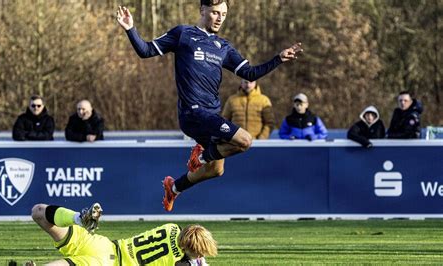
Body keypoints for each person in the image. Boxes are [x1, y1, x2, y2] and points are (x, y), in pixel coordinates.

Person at [116, 0, 303, 211]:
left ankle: (174, 187)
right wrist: (131, 29)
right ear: (202, 11)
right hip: (193, 113)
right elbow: (146, 50)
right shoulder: (183, 34)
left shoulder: (223, 47)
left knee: (216, 170)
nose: (220, 18)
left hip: (212, 115)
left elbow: (249, 73)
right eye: (215, 13)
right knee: (245, 140)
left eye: (223, 14)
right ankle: (202, 156)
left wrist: (278, 58)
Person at [30, 202, 217, 265]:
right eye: (199, 252)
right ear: (187, 247)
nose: (201, 255)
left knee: (38, 212)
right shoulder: (180, 263)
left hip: (103, 244)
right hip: (107, 263)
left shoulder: (172, 227)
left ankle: (79, 218)